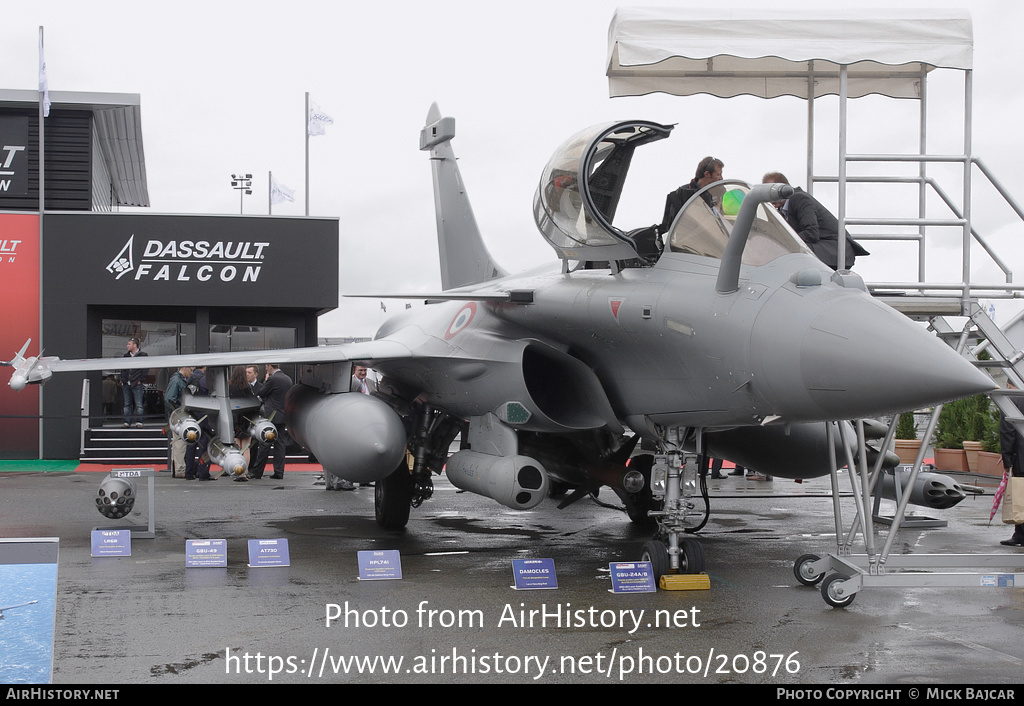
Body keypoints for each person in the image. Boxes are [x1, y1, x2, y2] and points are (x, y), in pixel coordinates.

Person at [761, 172, 869, 271]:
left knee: (788, 252)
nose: (770, 198)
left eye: (772, 192)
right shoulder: (782, 208)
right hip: (822, 247)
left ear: (784, 187)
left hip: (834, 250)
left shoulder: (799, 199)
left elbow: (811, 233)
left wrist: (783, 242)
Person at [659, 156, 724, 235]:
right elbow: (668, 229)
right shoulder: (679, 195)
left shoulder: (721, 192)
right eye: (718, 175)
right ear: (707, 174)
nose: (721, 178)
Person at [249, 363, 292, 480]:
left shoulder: (272, 379)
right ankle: (279, 471)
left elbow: (261, 392)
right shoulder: (287, 379)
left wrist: (266, 380)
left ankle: (257, 472)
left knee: (264, 443)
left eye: (266, 366)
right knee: (280, 445)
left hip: (272, 416)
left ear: (269, 366)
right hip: (283, 416)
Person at [999, 395, 1024, 547]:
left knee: (1020, 494)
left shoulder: (1010, 400)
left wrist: (1007, 458)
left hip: (1021, 458)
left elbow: (1008, 431)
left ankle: (1020, 534)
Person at [164, 365, 193, 479]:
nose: (191, 373)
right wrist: (177, 411)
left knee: (178, 442)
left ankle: (177, 468)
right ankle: (179, 469)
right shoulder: (177, 380)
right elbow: (169, 399)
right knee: (179, 443)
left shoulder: (176, 380)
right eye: (190, 370)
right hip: (179, 415)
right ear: (184, 368)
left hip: (177, 414)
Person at [120, 337, 149, 428]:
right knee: (127, 404)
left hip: (137, 383)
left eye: (129, 344)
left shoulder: (143, 355)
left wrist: (141, 379)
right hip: (127, 383)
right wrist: (124, 380)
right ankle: (127, 422)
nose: (127, 346)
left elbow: (145, 369)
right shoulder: (126, 356)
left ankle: (139, 421)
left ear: (134, 345)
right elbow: (123, 369)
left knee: (139, 404)